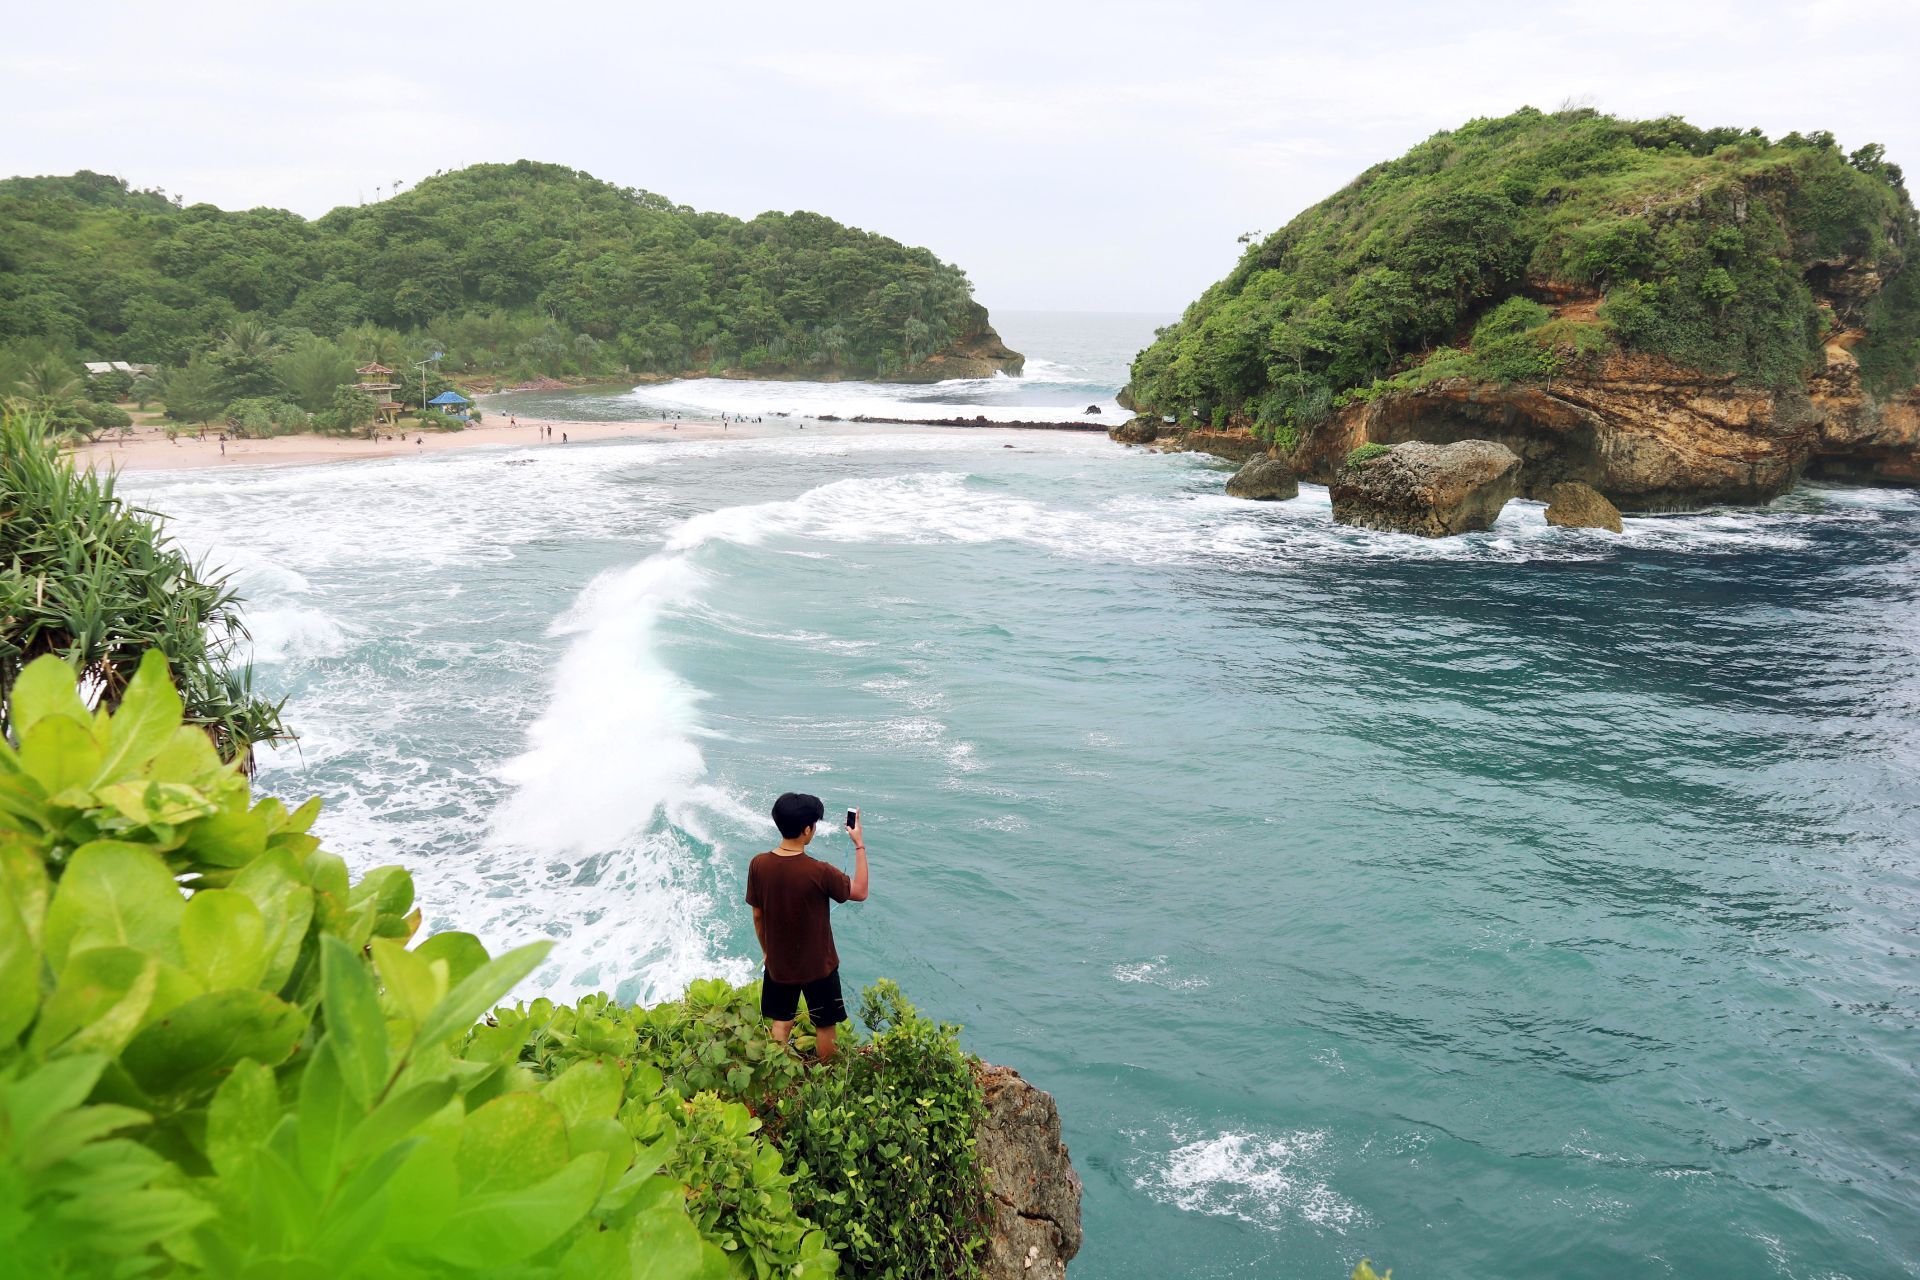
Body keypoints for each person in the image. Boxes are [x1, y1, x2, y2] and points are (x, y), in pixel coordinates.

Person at [745, 793, 868, 1062]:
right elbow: (860, 891)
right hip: (819, 966)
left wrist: (767, 951)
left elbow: (758, 915)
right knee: (825, 1025)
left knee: (782, 1022)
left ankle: (778, 1074)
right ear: (807, 830)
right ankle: (827, 1076)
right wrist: (859, 845)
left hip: (779, 963)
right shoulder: (820, 871)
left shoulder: (758, 864)